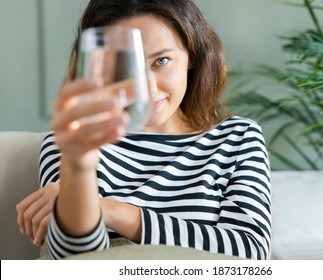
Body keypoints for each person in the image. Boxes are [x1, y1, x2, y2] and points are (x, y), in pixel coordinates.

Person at [16, 0, 271, 260]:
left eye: (161, 60)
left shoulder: (238, 138)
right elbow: (74, 261)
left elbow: (251, 253)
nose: (146, 90)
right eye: (127, 68)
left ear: (192, 55)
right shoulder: (71, 144)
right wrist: (79, 167)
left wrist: (109, 210)